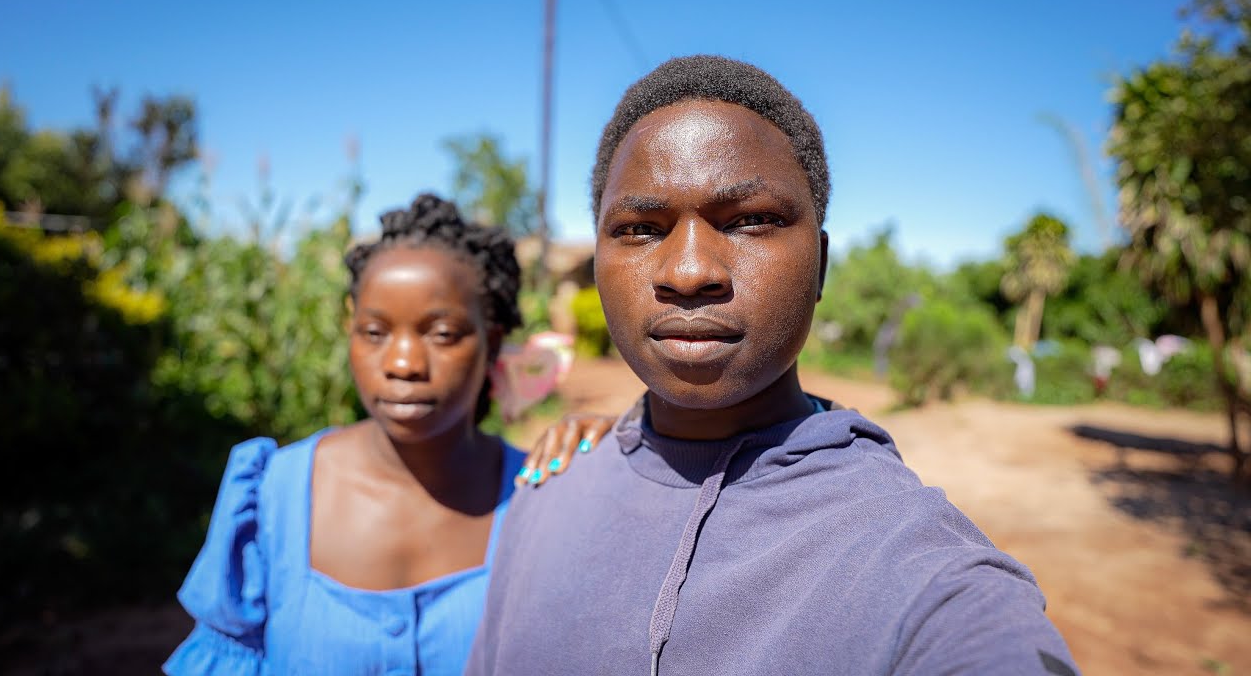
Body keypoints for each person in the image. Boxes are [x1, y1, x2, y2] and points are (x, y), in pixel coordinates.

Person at [467, 56, 1080, 675]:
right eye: (641, 228)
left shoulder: (919, 572)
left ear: (820, 264)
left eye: (751, 221)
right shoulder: (546, 497)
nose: (689, 272)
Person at [164, 194, 610, 675]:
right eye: (374, 332)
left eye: (441, 334)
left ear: (493, 341)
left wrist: (626, 459)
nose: (402, 365)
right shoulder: (274, 493)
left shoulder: (542, 495)